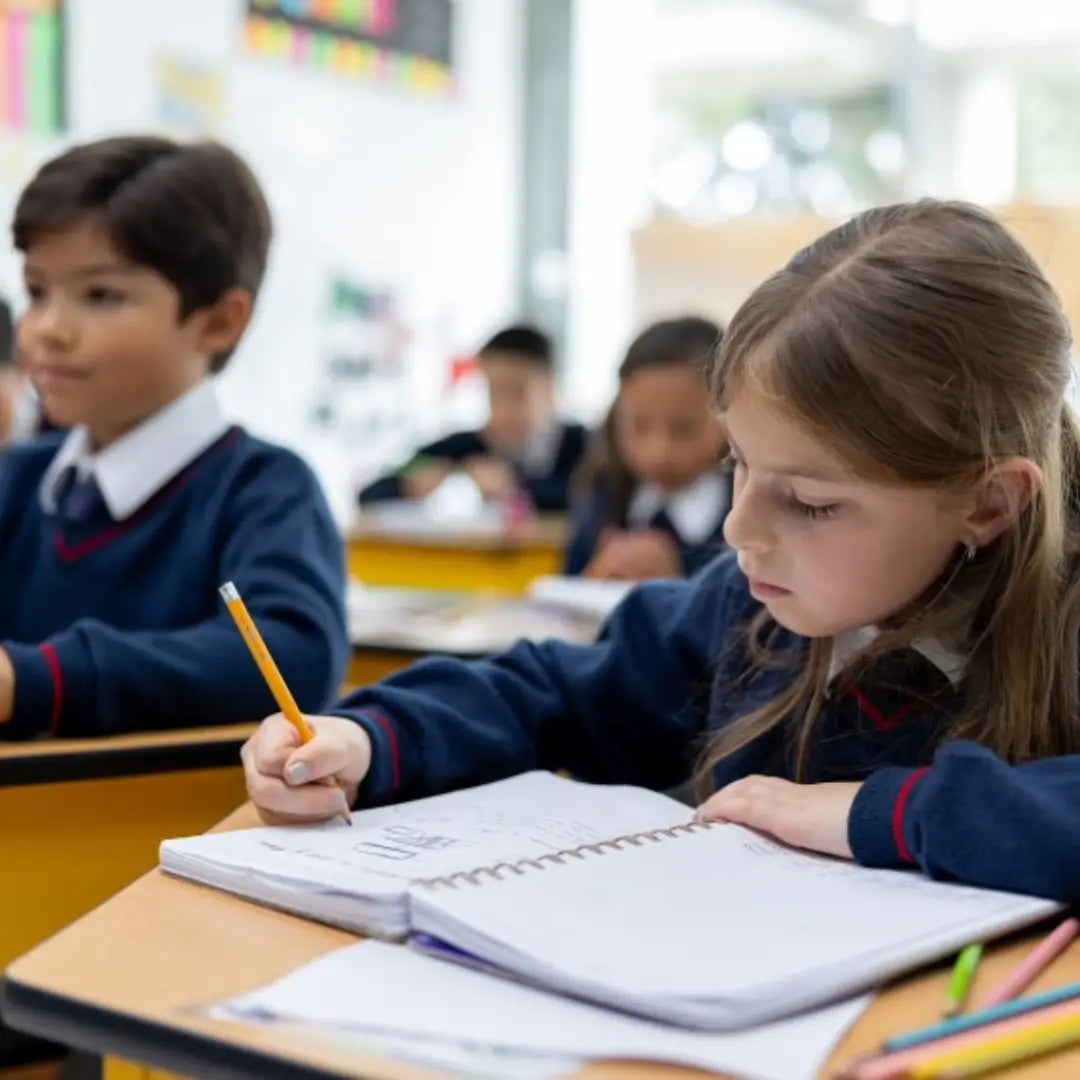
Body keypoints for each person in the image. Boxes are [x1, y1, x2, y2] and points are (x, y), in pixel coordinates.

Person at [242, 200, 1080, 904]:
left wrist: (878, 814)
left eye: (814, 502)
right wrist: (371, 738)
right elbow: (553, 692)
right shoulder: (746, 607)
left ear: (988, 502)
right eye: (738, 466)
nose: (737, 527)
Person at [0, 135, 347, 737]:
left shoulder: (262, 489)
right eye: (37, 291)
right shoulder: (18, 475)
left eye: (101, 295)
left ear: (218, 320)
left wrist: (35, 680)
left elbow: (292, 661)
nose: (48, 329)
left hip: (173, 822)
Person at [564, 316, 730, 579]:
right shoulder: (604, 493)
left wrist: (678, 584)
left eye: (684, 429)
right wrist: (596, 577)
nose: (658, 452)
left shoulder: (745, 511)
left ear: (729, 418)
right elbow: (567, 584)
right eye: (638, 426)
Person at [359, 324, 588, 513]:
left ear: (550, 390)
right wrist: (408, 486)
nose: (503, 410)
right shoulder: (469, 446)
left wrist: (514, 488)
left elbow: (591, 499)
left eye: (517, 393)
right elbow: (372, 492)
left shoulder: (585, 446)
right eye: (493, 393)